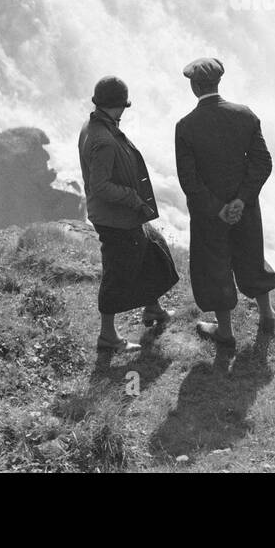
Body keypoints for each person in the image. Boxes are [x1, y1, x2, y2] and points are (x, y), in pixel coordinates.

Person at [174, 57, 275, 349]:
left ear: (194, 87)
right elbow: (262, 163)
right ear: (218, 83)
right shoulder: (245, 115)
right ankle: (267, 314)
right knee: (251, 256)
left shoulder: (186, 127)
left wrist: (217, 207)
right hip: (244, 208)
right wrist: (241, 200)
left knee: (215, 264)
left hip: (210, 215)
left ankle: (225, 331)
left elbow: (189, 179)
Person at [78, 75, 178, 354]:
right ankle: (108, 336)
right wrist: (133, 198)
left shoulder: (93, 125)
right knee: (117, 273)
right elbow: (100, 186)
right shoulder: (104, 139)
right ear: (120, 106)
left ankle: (153, 309)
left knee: (151, 250)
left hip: (119, 216)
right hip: (115, 218)